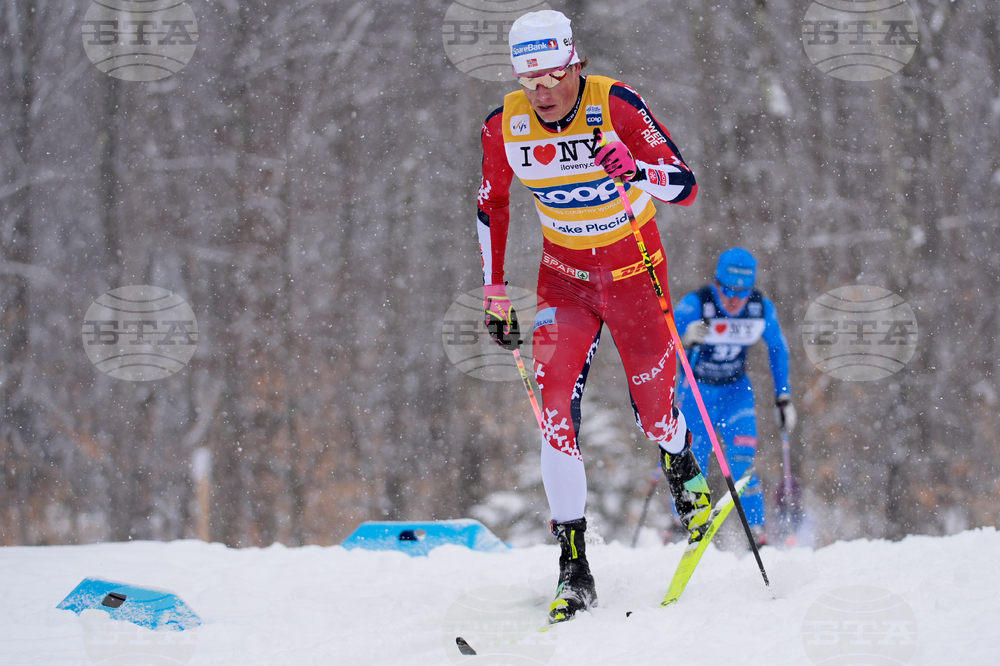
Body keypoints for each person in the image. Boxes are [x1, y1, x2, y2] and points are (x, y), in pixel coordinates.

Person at [476, 9, 705, 623]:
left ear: (575, 63)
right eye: (530, 79)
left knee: (654, 411)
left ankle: (680, 458)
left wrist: (637, 171)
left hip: (634, 273)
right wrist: (495, 290)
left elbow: (685, 184)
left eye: (552, 75)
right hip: (567, 282)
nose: (542, 90)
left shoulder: (617, 105)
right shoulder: (505, 127)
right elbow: (491, 206)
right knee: (554, 408)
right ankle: (573, 567)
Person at [672, 247, 795, 548]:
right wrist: (683, 337)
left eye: (742, 291)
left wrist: (783, 397)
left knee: (742, 464)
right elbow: (662, 342)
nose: (734, 299)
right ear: (716, 283)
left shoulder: (760, 308)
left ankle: (758, 533)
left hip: (736, 394)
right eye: (728, 290)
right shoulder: (695, 304)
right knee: (693, 464)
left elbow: (778, 348)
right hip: (697, 392)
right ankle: (684, 528)